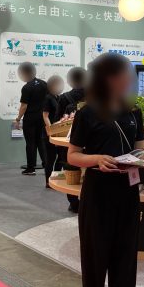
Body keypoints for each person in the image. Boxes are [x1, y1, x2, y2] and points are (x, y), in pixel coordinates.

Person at [67, 53, 144, 287]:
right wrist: (96, 159)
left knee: (125, 257)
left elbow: (139, 149)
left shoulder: (133, 112)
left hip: (128, 190)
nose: (128, 80)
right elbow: (73, 155)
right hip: (98, 191)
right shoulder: (87, 113)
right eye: (123, 74)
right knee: (95, 257)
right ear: (107, 78)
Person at [58, 67, 87, 212]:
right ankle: (87, 201)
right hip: (90, 143)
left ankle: (74, 203)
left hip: (69, 142)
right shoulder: (93, 96)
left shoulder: (64, 98)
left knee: (71, 172)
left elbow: (59, 123)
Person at [15, 62, 47, 176]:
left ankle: (31, 168)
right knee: (41, 142)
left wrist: (18, 119)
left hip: (30, 118)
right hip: (42, 118)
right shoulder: (44, 84)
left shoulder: (26, 87)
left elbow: (24, 106)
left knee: (30, 143)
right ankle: (46, 165)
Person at [43, 74, 65, 188]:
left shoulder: (59, 97)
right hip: (50, 133)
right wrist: (52, 130)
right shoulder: (48, 98)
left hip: (59, 132)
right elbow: (45, 116)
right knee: (50, 159)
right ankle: (48, 181)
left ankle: (56, 178)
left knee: (61, 157)